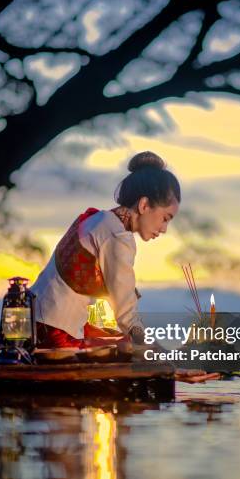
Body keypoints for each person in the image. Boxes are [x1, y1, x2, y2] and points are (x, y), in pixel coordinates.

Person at [31, 151, 219, 384]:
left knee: (123, 343)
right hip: (55, 334)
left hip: (37, 323)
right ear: (144, 205)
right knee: (129, 352)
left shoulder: (100, 219)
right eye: (166, 218)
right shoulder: (118, 238)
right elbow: (127, 318)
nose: (164, 229)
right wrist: (167, 364)